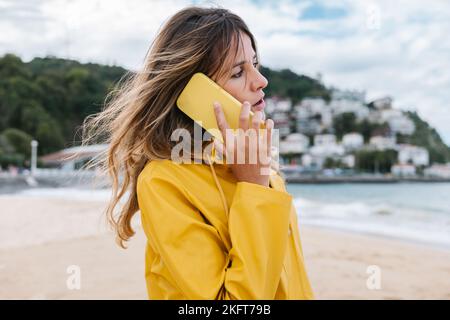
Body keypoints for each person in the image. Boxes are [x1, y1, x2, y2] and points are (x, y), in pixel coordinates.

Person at [82, 5, 314, 300]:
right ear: (195, 92)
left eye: (255, 64)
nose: (260, 81)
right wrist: (254, 187)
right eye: (238, 72)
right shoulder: (163, 183)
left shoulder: (259, 167)